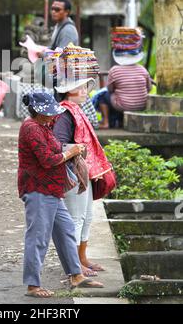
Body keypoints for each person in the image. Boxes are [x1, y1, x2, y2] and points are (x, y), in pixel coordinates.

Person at [18, 91, 104, 298]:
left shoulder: (44, 127)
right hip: (38, 189)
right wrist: (70, 152)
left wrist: (71, 150)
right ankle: (32, 285)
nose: (52, 117)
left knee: (66, 231)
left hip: (52, 190)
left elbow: (55, 151)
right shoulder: (31, 128)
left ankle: (76, 274)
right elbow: (48, 160)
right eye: (48, 114)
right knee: (38, 237)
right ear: (37, 112)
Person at [53, 76, 112, 277]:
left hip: (83, 170)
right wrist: (76, 153)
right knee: (75, 219)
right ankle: (74, 265)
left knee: (87, 216)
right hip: (72, 172)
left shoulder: (76, 110)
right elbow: (59, 144)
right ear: (69, 91)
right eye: (82, 88)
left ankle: (82, 258)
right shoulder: (63, 114)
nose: (86, 91)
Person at [93, 27, 152, 129]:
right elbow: (149, 88)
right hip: (141, 105)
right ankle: (120, 121)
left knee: (102, 96)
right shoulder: (143, 70)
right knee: (119, 96)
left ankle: (106, 122)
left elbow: (110, 89)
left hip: (122, 105)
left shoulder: (114, 70)